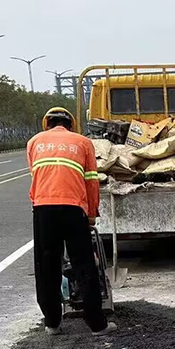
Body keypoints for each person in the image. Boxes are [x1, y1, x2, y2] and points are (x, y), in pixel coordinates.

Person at [27, 107, 114, 337]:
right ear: (72, 125)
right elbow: (92, 181)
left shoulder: (34, 142)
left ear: (47, 123)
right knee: (84, 264)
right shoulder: (83, 143)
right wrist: (92, 213)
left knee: (46, 265)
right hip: (74, 208)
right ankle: (97, 324)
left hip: (43, 209)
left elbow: (36, 176)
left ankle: (53, 322)